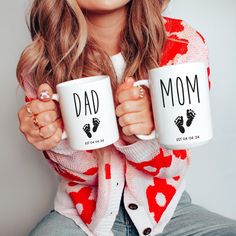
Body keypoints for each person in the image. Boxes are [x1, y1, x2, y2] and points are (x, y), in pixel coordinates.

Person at [17, 0, 236, 235]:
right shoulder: (41, 61)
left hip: (167, 211)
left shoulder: (182, 43)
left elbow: (175, 164)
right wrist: (54, 137)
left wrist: (140, 136)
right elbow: (82, 175)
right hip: (82, 216)